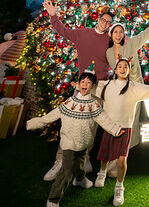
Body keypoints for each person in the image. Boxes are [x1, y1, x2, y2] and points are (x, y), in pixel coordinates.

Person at [27, 69, 124, 207]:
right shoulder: (69, 103)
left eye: (89, 82)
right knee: (66, 171)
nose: (85, 84)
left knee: (80, 163)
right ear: (77, 84)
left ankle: (80, 179)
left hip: (84, 142)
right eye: (83, 81)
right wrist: (32, 123)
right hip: (68, 142)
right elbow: (50, 116)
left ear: (92, 86)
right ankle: (53, 199)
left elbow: (104, 120)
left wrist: (116, 130)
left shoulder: (94, 105)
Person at [42, 0, 114, 180]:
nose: (105, 24)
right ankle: (59, 161)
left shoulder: (110, 40)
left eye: (108, 23)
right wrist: (53, 15)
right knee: (70, 122)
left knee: (92, 124)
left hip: (101, 86)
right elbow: (64, 31)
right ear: (98, 19)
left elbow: (122, 50)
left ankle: (85, 157)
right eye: (103, 20)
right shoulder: (83, 34)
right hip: (83, 86)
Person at [95, 59, 149, 206]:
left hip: (125, 128)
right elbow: (91, 85)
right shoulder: (106, 85)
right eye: (120, 66)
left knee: (121, 160)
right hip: (109, 126)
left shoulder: (133, 87)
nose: (123, 69)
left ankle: (119, 187)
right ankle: (102, 172)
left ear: (129, 70)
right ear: (115, 69)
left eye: (126, 67)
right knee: (104, 154)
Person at [103, 13, 149, 176]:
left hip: (134, 86)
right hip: (119, 87)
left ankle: (121, 159)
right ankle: (112, 158)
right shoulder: (109, 52)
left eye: (120, 32)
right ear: (111, 34)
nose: (118, 34)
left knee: (130, 121)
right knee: (115, 119)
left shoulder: (130, 45)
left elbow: (146, 34)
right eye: (115, 32)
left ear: (124, 34)